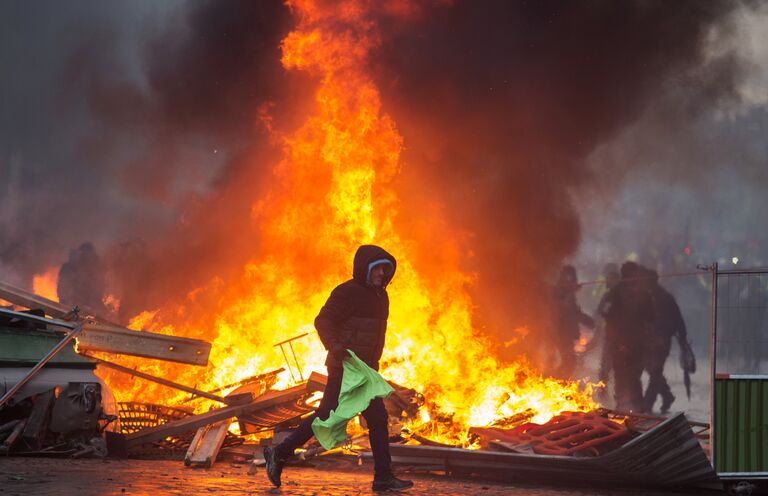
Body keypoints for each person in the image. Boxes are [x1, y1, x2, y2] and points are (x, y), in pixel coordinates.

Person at [264, 245, 413, 492]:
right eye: (377, 269)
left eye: (385, 270)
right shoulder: (347, 292)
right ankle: (278, 453)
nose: (381, 274)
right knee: (326, 414)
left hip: (364, 371)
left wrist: (373, 366)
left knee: (377, 419)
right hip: (344, 367)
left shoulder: (381, 297)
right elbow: (323, 320)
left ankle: (383, 477)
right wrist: (334, 346)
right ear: (365, 269)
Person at [602, 262, 653, 412]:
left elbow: (651, 316)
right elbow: (608, 315)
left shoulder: (641, 293)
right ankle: (627, 405)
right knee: (625, 374)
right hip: (623, 341)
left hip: (635, 342)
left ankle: (632, 405)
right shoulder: (617, 292)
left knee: (631, 374)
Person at [642, 269, 687, 413]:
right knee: (651, 369)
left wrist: (682, 340)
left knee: (655, 372)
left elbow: (678, 320)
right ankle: (667, 395)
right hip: (648, 340)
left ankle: (647, 405)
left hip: (662, 341)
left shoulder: (665, 298)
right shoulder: (645, 297)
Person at [552, 265, 595, 378]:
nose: (573, 281)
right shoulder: (558, 292)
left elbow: (575, 312)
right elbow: (562, 308)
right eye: (570, 278)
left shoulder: (566, 292)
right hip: (559, 332)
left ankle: (558, 384)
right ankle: (555, 382)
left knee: (569, 362)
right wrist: (571, 292)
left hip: (567, 333)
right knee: (569, 362)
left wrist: (587, 321)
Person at [595, 263, 620, 401]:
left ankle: (621, 395)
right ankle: (603, 392)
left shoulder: (623, 295)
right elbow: (600, 311)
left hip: (622, 338)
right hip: (610, 336)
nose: (608, 281)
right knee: (605, 367)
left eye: (610, 278)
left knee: (620, 368)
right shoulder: (608, 295)